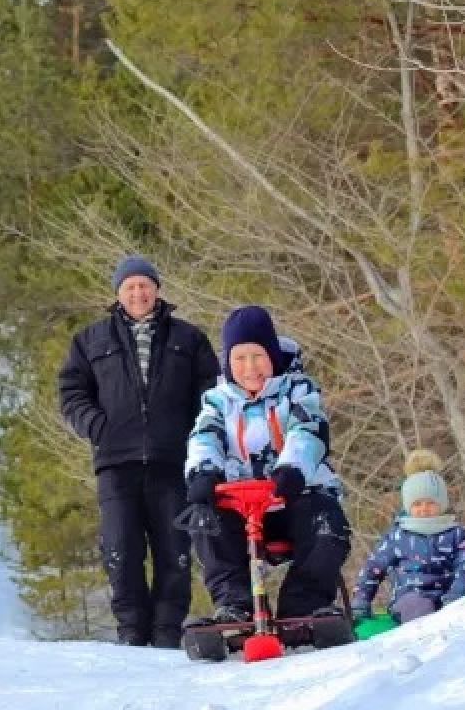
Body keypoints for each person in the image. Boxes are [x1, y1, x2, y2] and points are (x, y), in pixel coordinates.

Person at [57, 255, 219, 647]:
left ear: (157, 289)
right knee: (120, 549)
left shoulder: (189, 338)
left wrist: (196, 433)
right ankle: (131, 632)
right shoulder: (91, 340)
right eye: (129, 286)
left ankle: (166, 632)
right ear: (118, 294)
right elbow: (72, 392)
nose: (138, 293)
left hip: (174, 461)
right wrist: (96, 426)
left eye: (144, 285)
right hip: (116, 463)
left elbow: (211, 392)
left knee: (174, 549)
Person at [181, 305, 352, 623]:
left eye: (258, 356)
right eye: (240, 359)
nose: (250, 368)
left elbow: (308, 429)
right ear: (228, 363)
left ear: (272, 355)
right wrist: (203, 472)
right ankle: (235, 605)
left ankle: (304, 605)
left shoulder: (298, 391)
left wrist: (292, 469)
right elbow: (204, 437)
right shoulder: (218, 401)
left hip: (293, 494)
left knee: (327, 525)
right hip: (239, 501)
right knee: (204, 520)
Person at [353, 449, 465, 624]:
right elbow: (373, 568)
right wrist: (361, 600)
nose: (424, 509)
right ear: (408, 507)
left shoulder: (456, 534)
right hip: (411, 597)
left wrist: (457, 595)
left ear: (441, 504)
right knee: (418, 607)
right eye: (417, 504)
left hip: (448, 596)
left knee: (459, 611)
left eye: (430, 503)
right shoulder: (398, 536)